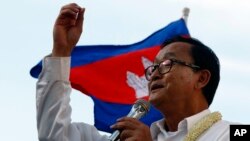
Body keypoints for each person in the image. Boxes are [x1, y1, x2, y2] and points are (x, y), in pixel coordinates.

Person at [36, 3, 234, 141]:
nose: (154, 73)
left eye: (167, 64)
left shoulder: (233, 133)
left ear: (201, 78)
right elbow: (54, 134)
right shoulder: (129, 138)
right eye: (153, 67)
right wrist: (61, 51)